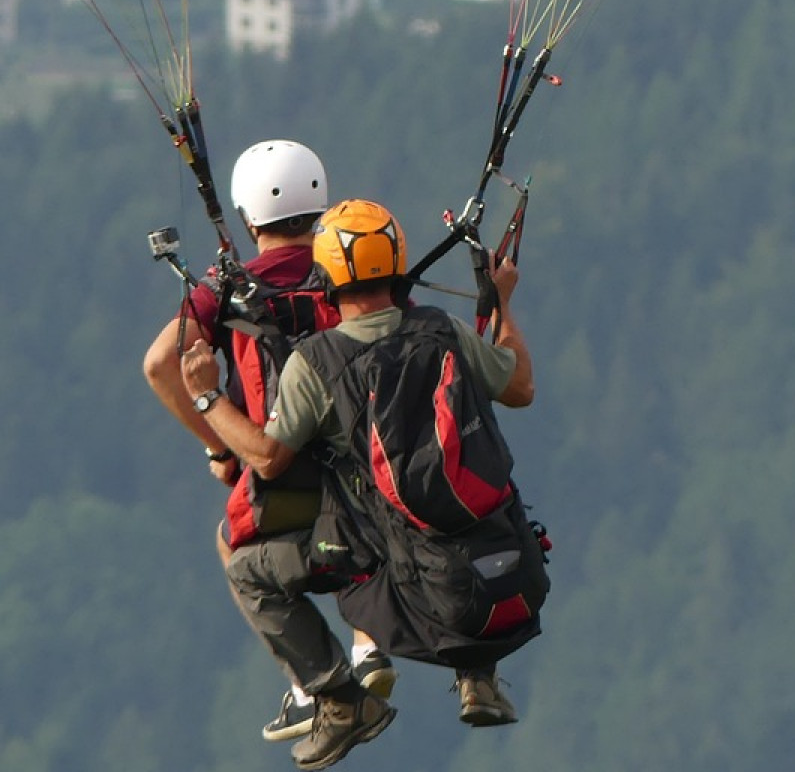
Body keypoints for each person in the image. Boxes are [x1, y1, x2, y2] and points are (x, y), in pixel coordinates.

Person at [180, 199, 537, 763]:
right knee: (439, 502)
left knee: (248, 569)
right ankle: (478, 675)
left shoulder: (319, 362)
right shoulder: (440, 329)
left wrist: (207, 396)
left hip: (384, 555)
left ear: (325, 276)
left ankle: (341, 702)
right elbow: (518, 388)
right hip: (496, 558)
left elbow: (267, 458)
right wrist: (504, 305)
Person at [140, 141, 395, 748]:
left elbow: (159, 365)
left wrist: (221, 447)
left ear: (250, 219)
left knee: (236, 547)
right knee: (364, 533)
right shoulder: (355, 274)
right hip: (376, 470)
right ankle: (369, 645)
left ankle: (313, 684)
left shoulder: (227, 288)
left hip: (279, 471)